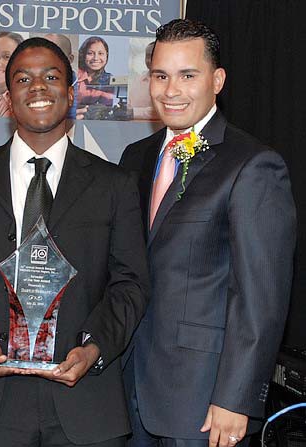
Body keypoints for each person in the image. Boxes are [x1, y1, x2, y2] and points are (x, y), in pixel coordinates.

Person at [0, 37, 149, 446]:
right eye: (23, 79)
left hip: (85, 402)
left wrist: (94, 348)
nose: (37, 87)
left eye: (51, 77)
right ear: (8, 96)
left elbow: (130, 283)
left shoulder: (115, 185)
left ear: (71, 92)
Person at [119, 19, 296, 447]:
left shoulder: (253, 165)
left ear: (217, 80)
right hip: (129, 390)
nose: (171, 90)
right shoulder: (135, 157)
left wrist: (236, 398)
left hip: (204, 403)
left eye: (187, 75)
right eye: (160, 76)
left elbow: (260, 297)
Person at [76, 36, 115, 119]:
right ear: (83, 55)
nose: (96, 58)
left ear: (106, 55)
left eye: (100, 53)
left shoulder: (109, 79)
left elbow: (104, 109)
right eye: (90, 53)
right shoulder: (74, 75)